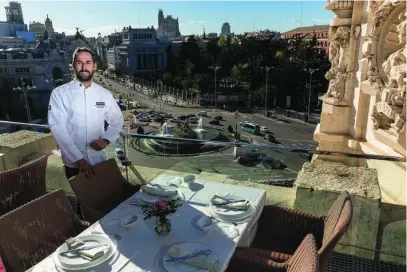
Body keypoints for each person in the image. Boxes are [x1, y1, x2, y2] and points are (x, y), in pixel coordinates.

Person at [48, 47, 124, 179]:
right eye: (79, 62)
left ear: (94, 66)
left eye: (88, 62)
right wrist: (78, 159)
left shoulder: (104, 94)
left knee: (104, 196)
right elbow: (57, 127)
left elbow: (117, 119)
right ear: (73, 65)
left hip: (99, 160)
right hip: (74, 165)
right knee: (82, 198)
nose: (84, 67)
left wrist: (106, 139)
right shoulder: (59, 94)